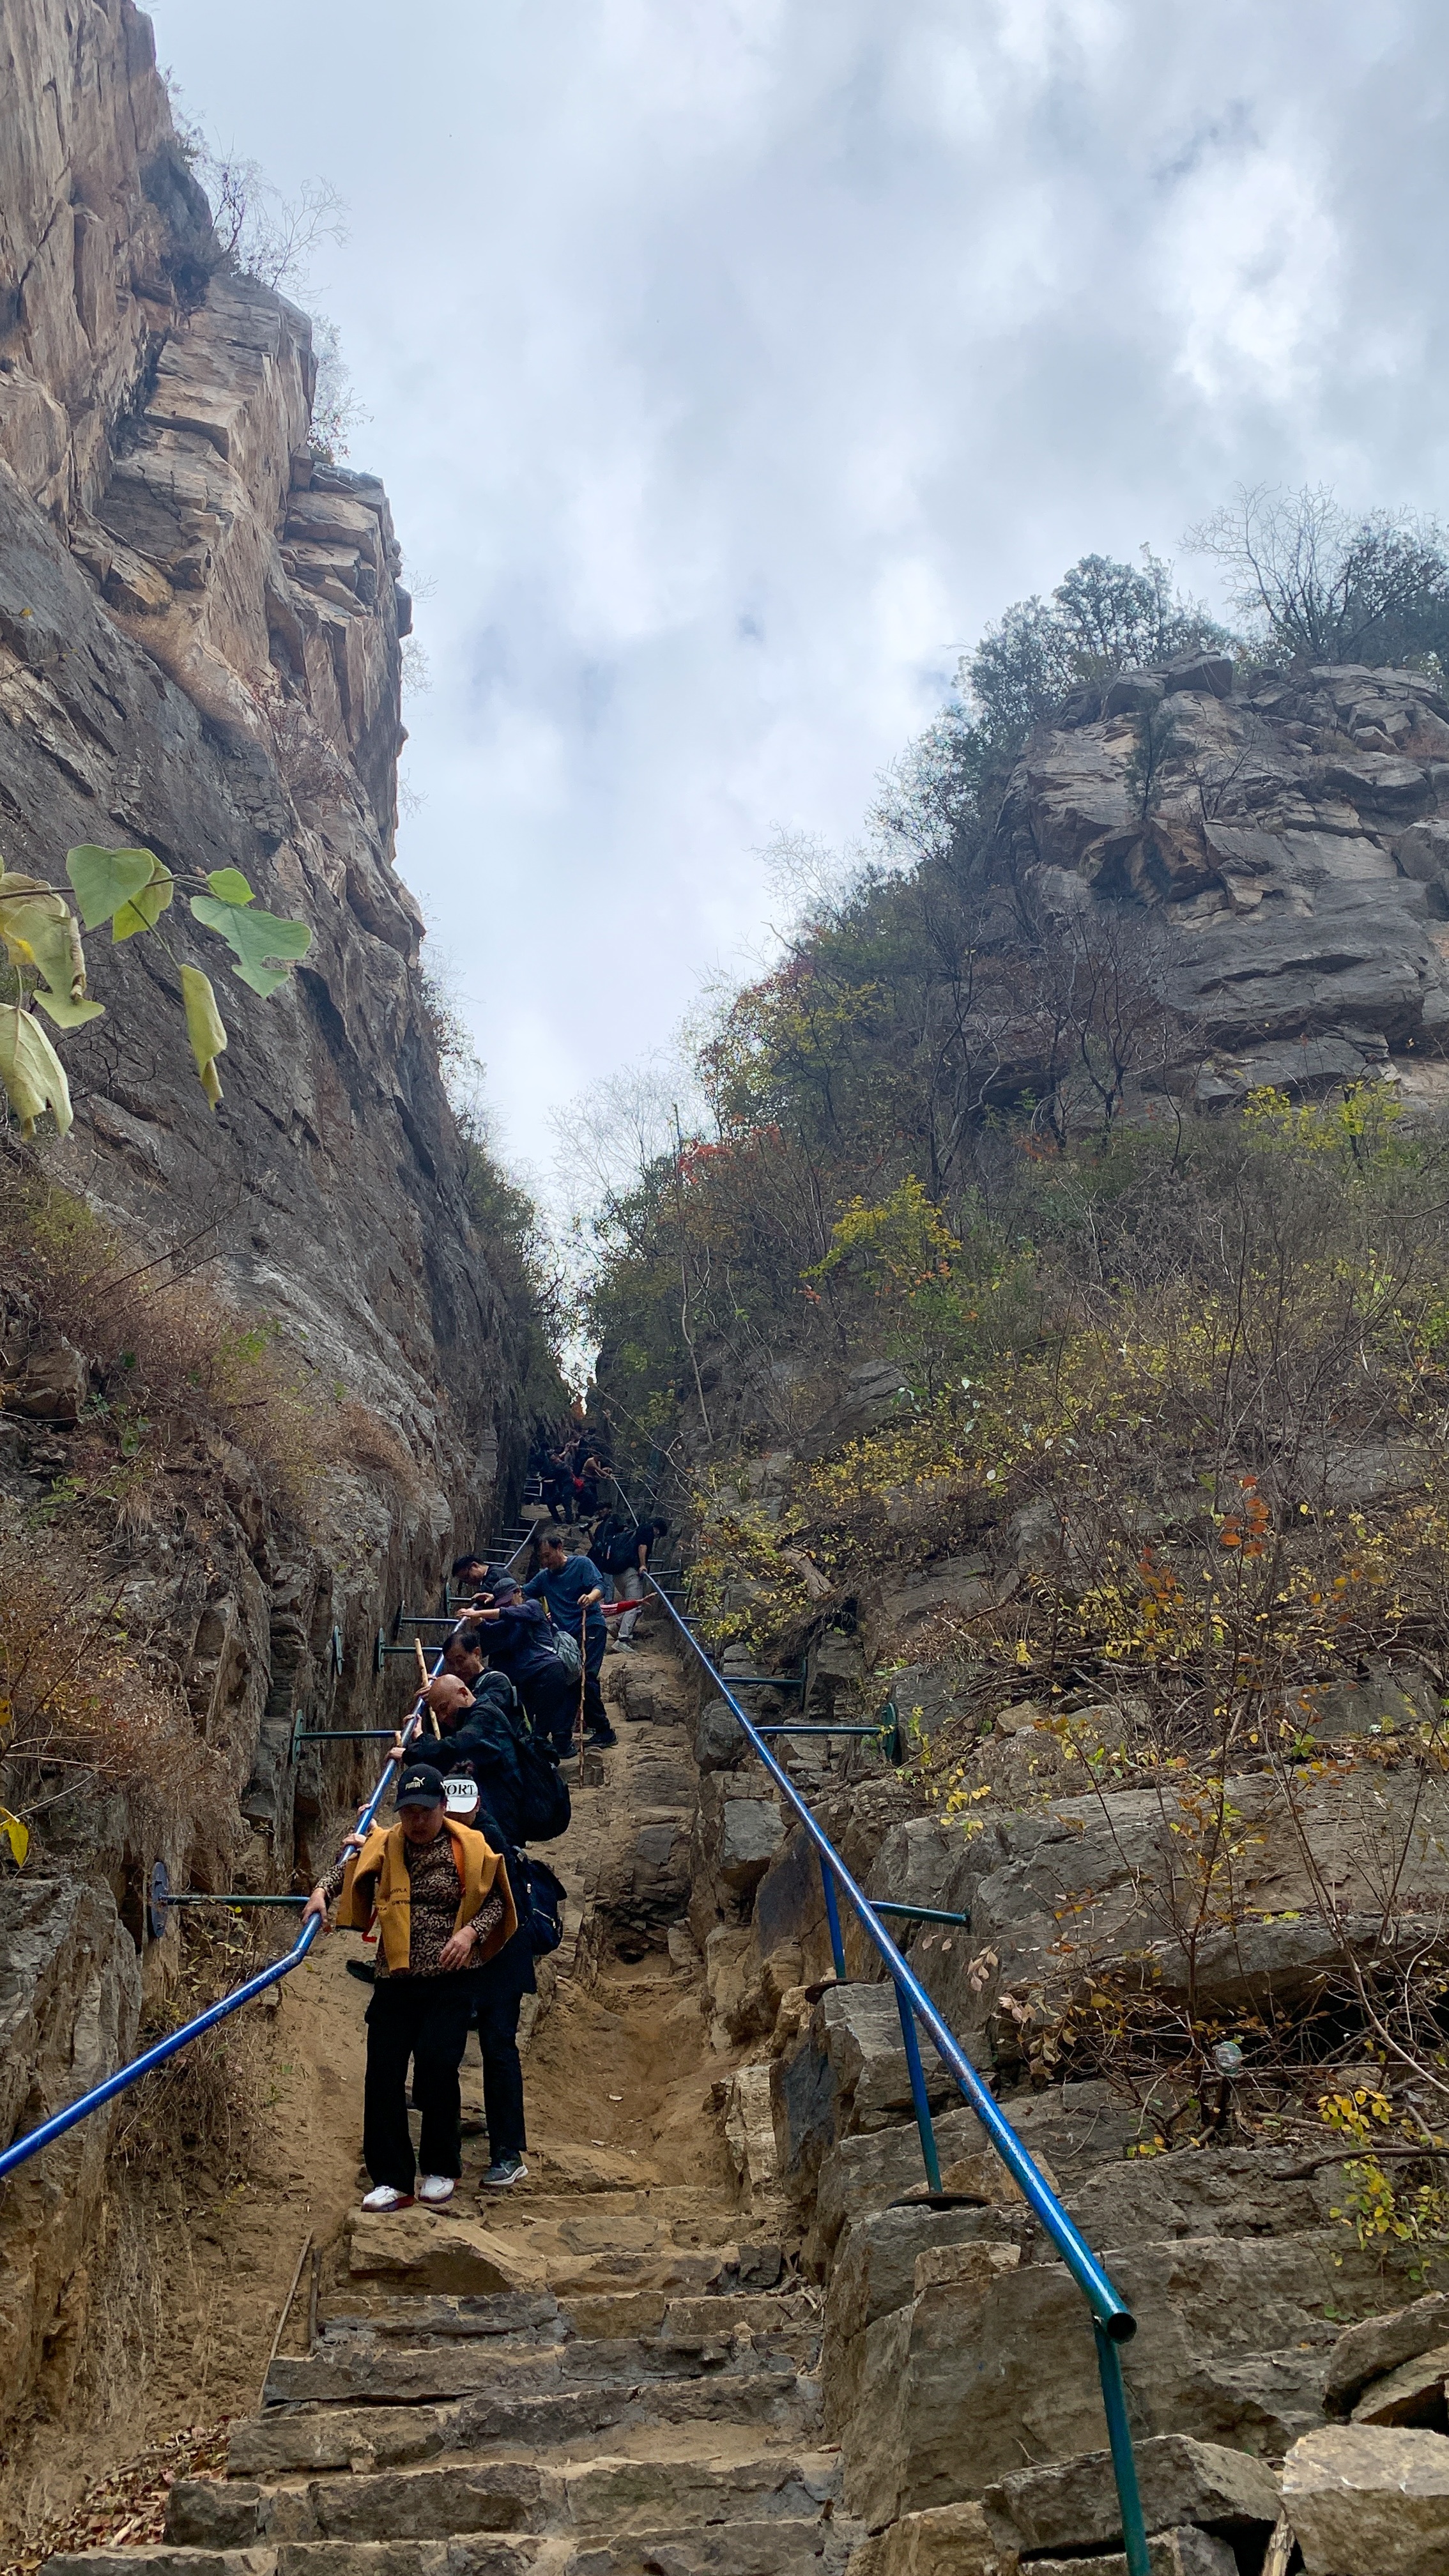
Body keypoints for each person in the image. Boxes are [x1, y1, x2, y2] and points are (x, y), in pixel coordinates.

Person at [303, 1760, 516, 2212]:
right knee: (383, 2075)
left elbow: (497, 1900)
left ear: (443, 1807)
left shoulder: (470, 1847)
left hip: (449, 1980)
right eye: (408, 1812)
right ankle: (392, 2178)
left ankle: (441, 2166)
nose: (417, 1821)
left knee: (438, 2071)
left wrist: (469, 1933)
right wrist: (321, 1892)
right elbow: (348, 1869)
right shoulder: (386, 1844)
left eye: (425, 1811)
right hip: (395, 1978)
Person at [439, 1775, 533, 2189]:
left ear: (475, 1807)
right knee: (450, 2047)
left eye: (462, 1814)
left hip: (500, 1960)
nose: (456, 1821)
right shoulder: (444, 1836)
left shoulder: (488, 1840)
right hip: (466, 1960)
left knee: (496, 2047)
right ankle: (451, 2140)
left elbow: (502, 1904)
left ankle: (507, 2153)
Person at [470, 1574, 578, 1756]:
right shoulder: (510, 1622)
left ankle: (554, 1753)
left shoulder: (533, 1607)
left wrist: (479, 1613)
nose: (507, 1606)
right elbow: (490, 1629)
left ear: (519, 1592)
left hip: (548, 1670)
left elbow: (509, 1613)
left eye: (509, 1601)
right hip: (528, 1678)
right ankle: (547, 1755)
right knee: (533, 1724)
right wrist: (478, 1618)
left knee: (547, 1722)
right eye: (502, 1604)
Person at [525, 1533, 616, 1748]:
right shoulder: (544, 1577)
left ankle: (602, 1730)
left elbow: (600, 1587)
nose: (546, 1562)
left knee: (586, 1677)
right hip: (565, 1639)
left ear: (560, 1548)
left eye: (548, 1555)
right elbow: (522, 1593)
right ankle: (563, 1736)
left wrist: (590, 1598)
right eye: (542, 1558)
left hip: (589, 1626)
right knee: (569, 1680)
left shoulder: (582, 1564)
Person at [612, 1516, 667, 1648]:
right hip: (631, 1572)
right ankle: (623, 1639)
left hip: (618, 1572)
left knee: (634, 1604)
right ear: (658, 1531)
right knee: (635, 1605)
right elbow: (642, 1546)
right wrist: (643, 1565)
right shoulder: (647, 1530)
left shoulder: (636, 1531)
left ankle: (616, 1627)